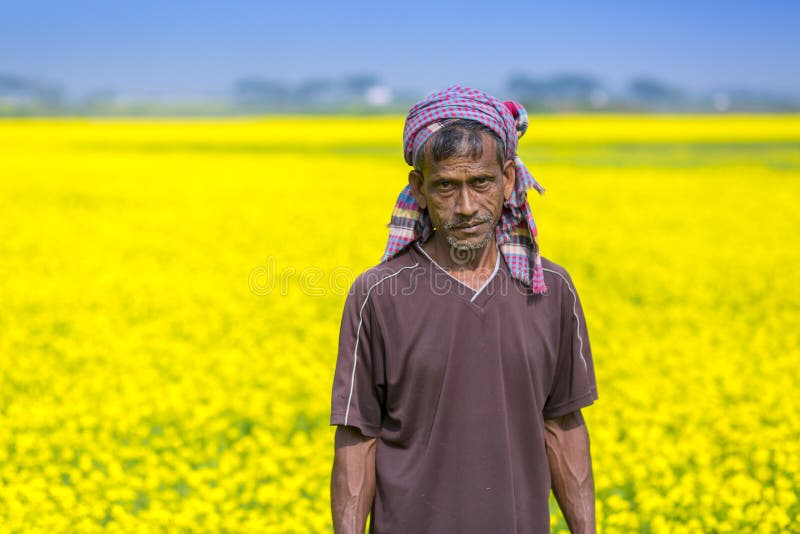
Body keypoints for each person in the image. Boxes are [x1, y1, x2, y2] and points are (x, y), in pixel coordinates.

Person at [329, 85, 599, 534]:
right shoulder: (377, 295)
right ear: (419, 187)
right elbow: (358, 439)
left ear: (509, 179)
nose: (467, 206)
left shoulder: (552, 290)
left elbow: (563, 426)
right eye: (446, 187)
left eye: (481, 182)